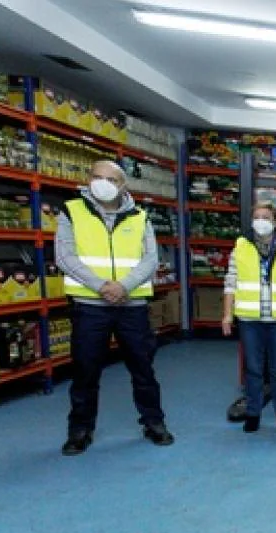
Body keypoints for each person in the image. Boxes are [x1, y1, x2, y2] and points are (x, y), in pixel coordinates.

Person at [56, 159, 173, 455]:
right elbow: (65, 256)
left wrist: (124, 286)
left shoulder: (140, 216)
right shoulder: (72, 211)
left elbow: (150, 259)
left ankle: (153, 422)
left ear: (122, 185)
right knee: (85, 370)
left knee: (143, 367)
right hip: (89, 305)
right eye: (96, 176)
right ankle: (80, 429)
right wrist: (102, 287)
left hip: (131, 304)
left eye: (109, 178)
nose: (101, 183)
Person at [221, 202, 276, 432]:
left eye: (266, 217)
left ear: (275, 221)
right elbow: (230, 283)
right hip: (250, 321)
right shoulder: (240, 246)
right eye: (256, 216)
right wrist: (227, 315)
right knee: (253, 369)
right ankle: (253, 413)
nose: (260, 221)